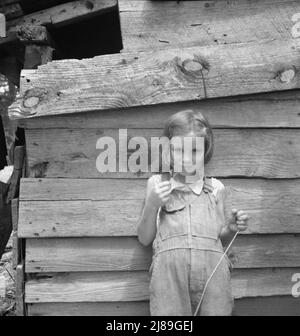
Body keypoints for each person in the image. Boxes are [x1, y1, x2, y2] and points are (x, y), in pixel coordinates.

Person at [137, 109, 249, 316]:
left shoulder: (216, 188)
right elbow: (144, 239)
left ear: (205, 150)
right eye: (179, 150)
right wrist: (152, 204)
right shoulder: (157, 185)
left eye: (195, 151)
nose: (187, 159)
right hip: (169, 280)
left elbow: (219, 241)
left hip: (213, 279)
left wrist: (231, 228)